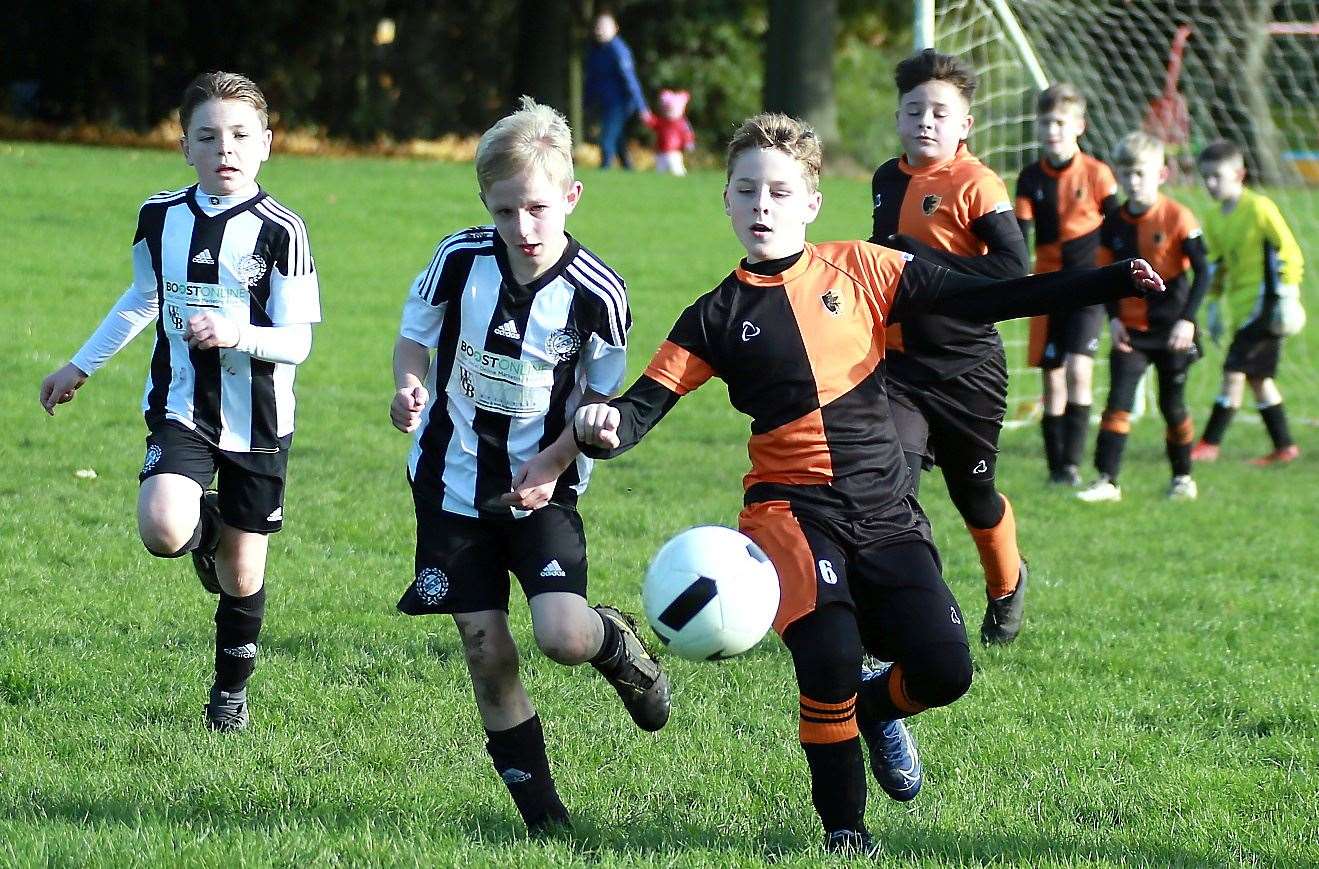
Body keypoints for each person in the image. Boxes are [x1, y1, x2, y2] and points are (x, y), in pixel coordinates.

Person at [573, 112, 1164, 855]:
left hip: (886, 508)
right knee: (827, 656)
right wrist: (602, 424)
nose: (762, 205)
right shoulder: (712, 316)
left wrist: (1107, 279)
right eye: (747, 190)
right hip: (789, 512)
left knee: (945, 670)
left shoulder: (861, 266)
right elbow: (639, 410)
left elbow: (984, 299)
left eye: (779, 192)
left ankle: (877, 711)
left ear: (811, 203)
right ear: (724, 199)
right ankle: (845, 830)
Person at [388, 96, 670, 835]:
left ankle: (616, 642)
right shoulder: (458, 259)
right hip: (450, 485)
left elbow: (601, 406)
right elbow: (413, 339)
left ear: (571, 197)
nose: (523, 228)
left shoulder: (598, 294)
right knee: (486, 648)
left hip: (545, 489)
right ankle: (545, 820)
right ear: (486, 201)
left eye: (539, 209)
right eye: (506, 210)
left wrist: (552, 459)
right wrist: (408, 383)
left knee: (562, 638)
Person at [37, 71, 321, 732]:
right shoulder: (160, 216)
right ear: (185, 146)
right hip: (182, 403)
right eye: (208, 136)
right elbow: (143, 297)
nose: (226, 148)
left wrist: (236, 332)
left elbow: (299, 342)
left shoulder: (284, 230)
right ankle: (205, 528)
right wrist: (80, 364)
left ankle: (228, 693)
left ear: (267, 144)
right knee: (164, 528)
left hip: (260, 418)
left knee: (243, 576)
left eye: (241, 135)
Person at [868, 49, 1033, 645]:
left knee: (974, 493)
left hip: (966, 371)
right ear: (899, 117)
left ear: (965, 125)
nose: (926, 121)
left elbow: (1015, 271)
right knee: (890, 486)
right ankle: (916, 610)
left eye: (941, 112)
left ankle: (1007, 585)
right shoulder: (887, 178)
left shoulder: (977, 183)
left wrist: (924, 260)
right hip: (898, 367)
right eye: (915, 110)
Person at [1076, 132, 1209, 503]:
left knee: (1173, 405)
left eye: (1141, 174)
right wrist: (1114, 319)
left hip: (1173, 332)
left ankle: (1182, 478)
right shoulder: (1114, 222)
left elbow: (1205, 271)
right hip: (1130, 331)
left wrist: (1188, 321)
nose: (1133, 182)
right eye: (1127, 173)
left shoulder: (1178, 216)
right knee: (1117, 402)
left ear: (1161, 174)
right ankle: (1107, 481)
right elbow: (1105, 277)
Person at [1015, 83, 1119, 486]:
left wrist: (1119, 280)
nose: (1052, 129)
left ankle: (1073, 462)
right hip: (1047, 287)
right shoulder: (1029, 178)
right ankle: (1058, 469)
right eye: (1045, 122)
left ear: (1079, 125)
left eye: (1060, 122)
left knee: (1079, 369)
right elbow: (1020, 233)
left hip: (1089, 287)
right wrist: (1016, 274)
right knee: (1052, 375)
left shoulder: (1097, 174)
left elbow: (1118, 227)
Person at [1189, 140, 1306, 465]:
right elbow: (1217, 265)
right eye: (1206, 177)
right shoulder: (1213, 218)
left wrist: (1287, 293)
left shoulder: (1259, 208)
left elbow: (1289, 249)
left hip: (1266, 305)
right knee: (1259, 380)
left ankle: (1209, 445)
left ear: (1239, 174)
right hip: (1242, 308)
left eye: (1218, 176)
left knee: (1233, 371)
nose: (1211, 184)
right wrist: (1212, 303)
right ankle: (1285, 447)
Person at [584, 11, 650, 170]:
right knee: (618, 138)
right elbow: (592, 81)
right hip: (606, 103)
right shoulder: (596, 51)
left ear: (615, 29)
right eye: (598, 26)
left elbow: (630, 79)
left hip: (620, 103)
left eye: (605, 26)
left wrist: (642, 107)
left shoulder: (618, 50)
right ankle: (628, 168)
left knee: (607, 139)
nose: (600, 30)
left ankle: (604, 170)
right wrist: (587, 102)